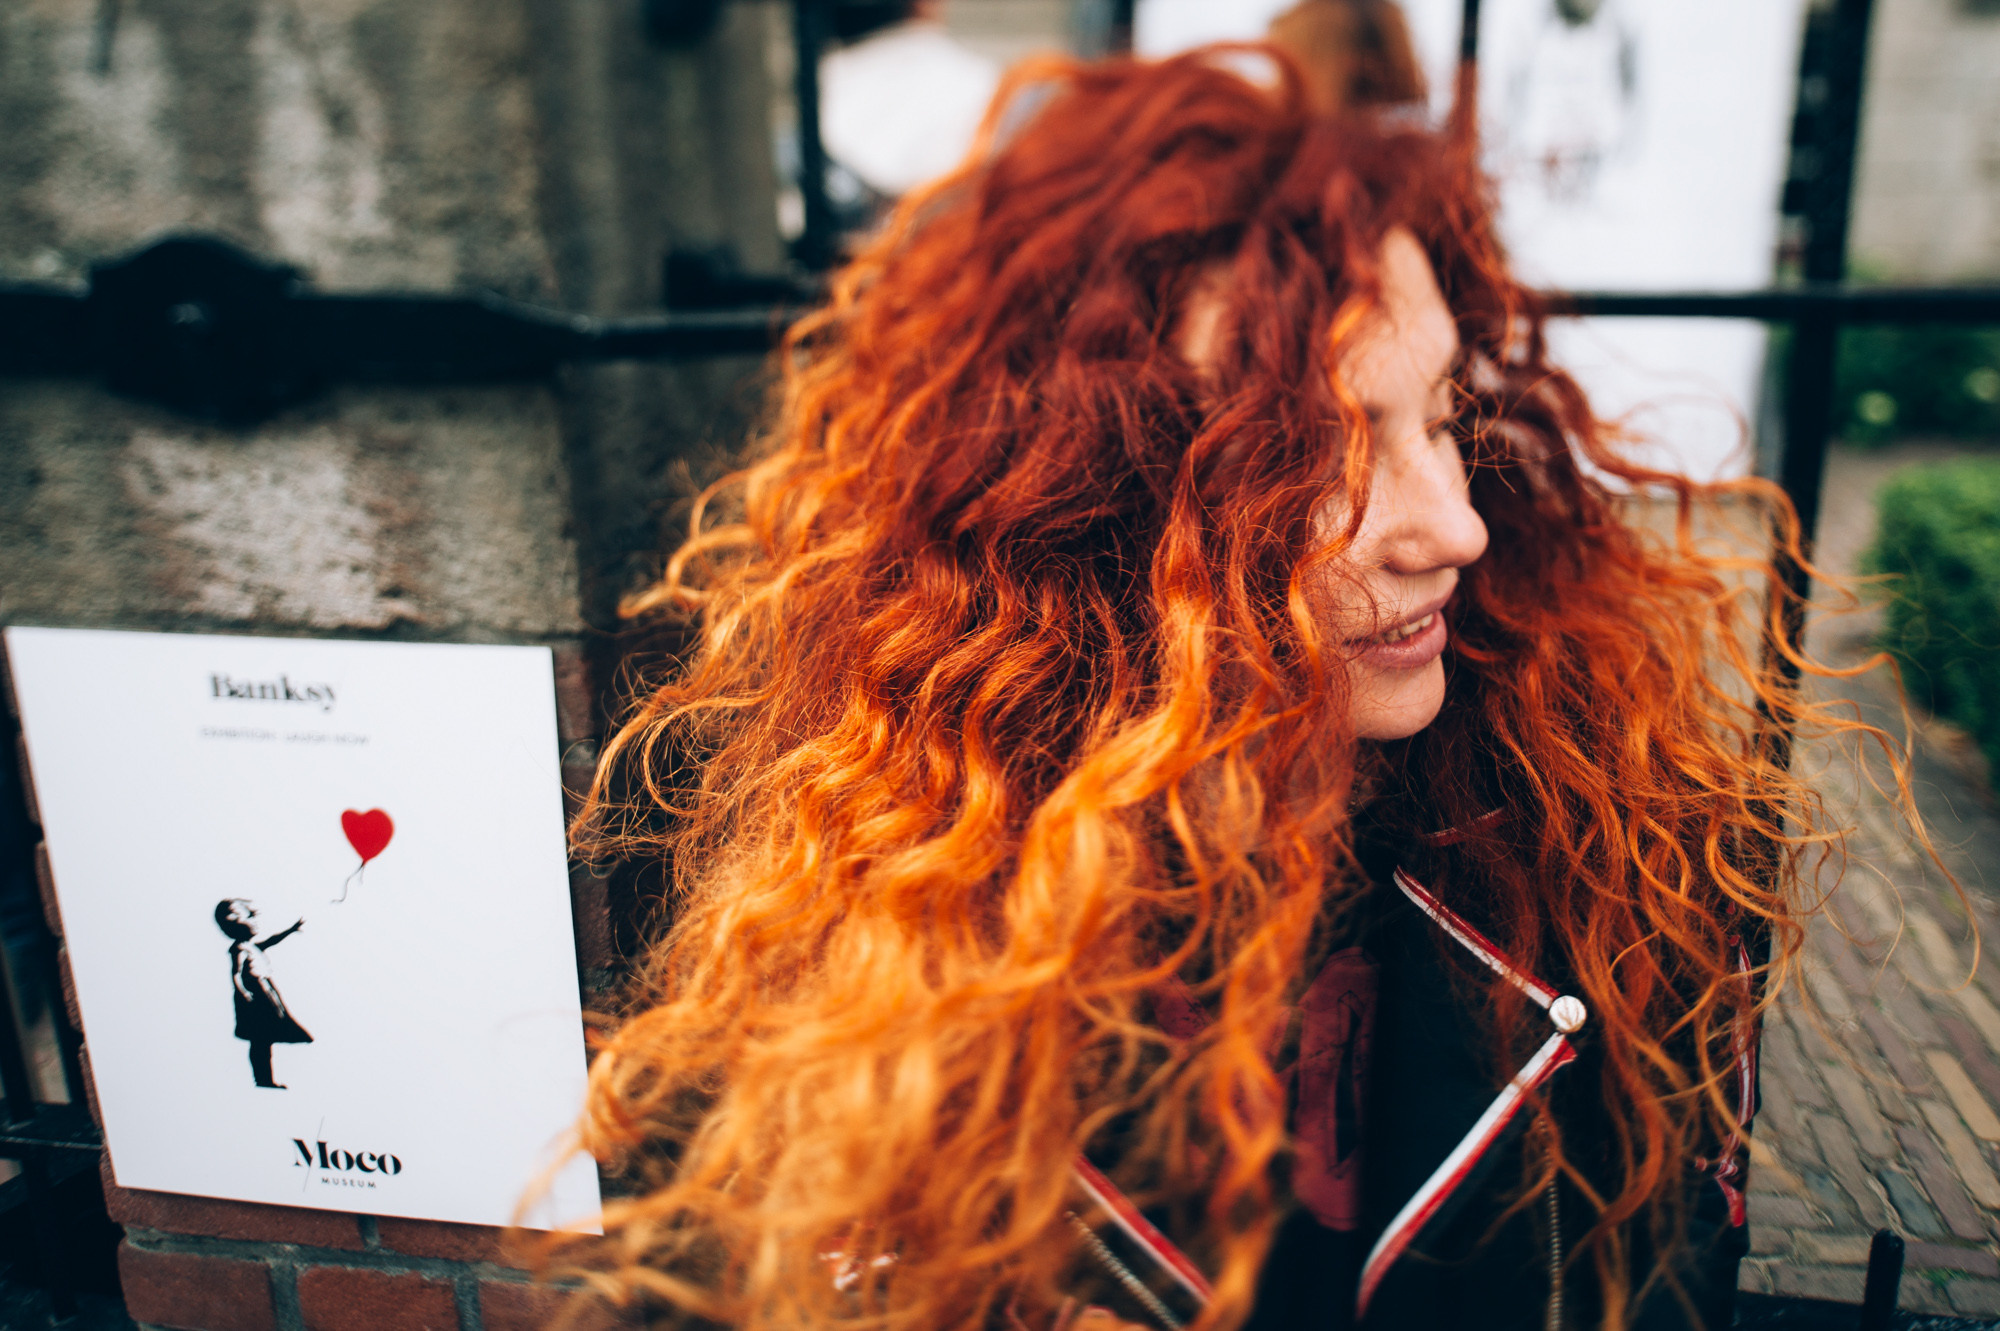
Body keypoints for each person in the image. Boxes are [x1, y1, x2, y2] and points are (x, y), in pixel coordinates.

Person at [567, 48, 1873, 1331]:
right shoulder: (884, 959)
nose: (1454, 525)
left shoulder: (1600, 879)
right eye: (1325, 450)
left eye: (1439, 418)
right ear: (1085, 511)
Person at [214, 899, 310, 1089]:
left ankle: (265, 1078)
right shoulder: (239, 949)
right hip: (254, 997)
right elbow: (236, 974)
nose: (255, 921)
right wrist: (245, 993)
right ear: (235, 922)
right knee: (260, 1040)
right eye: (249, 917)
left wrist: (291, 930)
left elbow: (271, 940)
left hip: (266, 993)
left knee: (265, 1039)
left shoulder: (252, 946)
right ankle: (263, 1079)